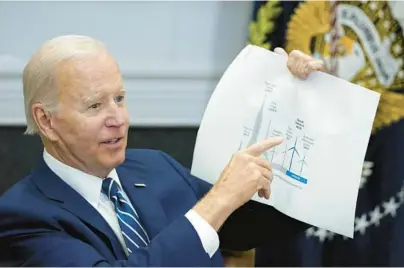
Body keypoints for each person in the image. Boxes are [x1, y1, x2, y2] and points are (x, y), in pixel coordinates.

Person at [0, 35, 324, 266]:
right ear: (47, 121)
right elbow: (211, 215)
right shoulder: (23, 215)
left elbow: (249, 226)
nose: (119, 119)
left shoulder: (156, 167)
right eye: (95, 105)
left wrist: (297, 104)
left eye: (120, 99)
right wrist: (219, 200)